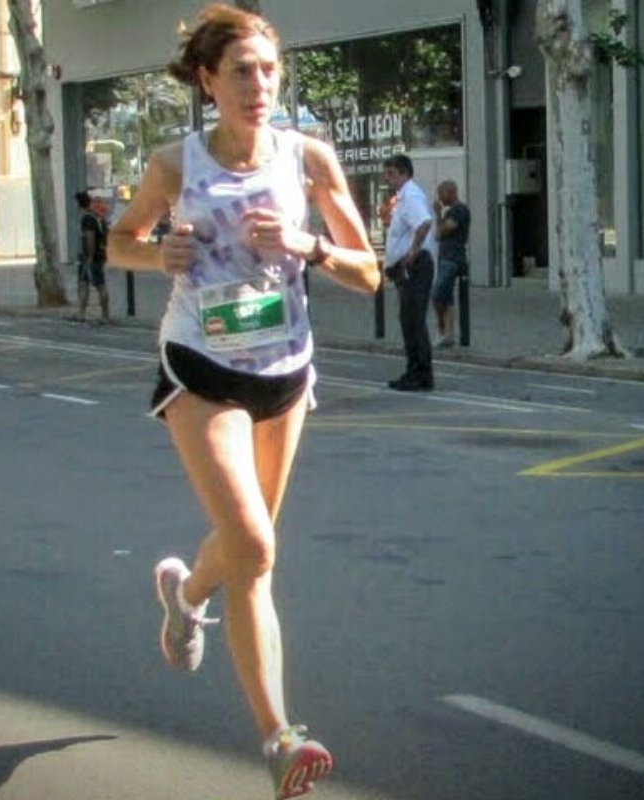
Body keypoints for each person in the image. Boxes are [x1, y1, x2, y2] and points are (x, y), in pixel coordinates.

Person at [106, 4, 379, 798]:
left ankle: (186, 595)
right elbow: (119, 241)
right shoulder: (174, 164)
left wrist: (307, 244)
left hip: (284, 369)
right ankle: (279, 737)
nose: (259, 84)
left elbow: (368, 273)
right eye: (241, 71)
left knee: (243, 546)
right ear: (207, 81)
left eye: (268, 69)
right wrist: (158, 254)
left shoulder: (308, 159)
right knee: (256, 548)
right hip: (201, 365)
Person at [383, 154, 435, 391]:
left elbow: (424, 223)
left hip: (415, 267)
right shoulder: (402, 197)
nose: (388, 179)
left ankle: (420, 374)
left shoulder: (411, 195)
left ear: (404, 173)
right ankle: (414, 370)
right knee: (409, 321)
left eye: (392, 174)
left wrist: (412, 254)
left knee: (413, 321)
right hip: (408, 268)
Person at [431, 180, 470, 348]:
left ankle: (443, 330)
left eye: (441, 193)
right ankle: (448, 333)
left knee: (437, 294)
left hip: (452, 259)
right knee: (446, 297)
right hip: (446, 257)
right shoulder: (450, 212)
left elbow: (442, 231)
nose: (440, 198)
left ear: (450, 192)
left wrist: (438, 214)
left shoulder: (459, 211)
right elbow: (438, 235)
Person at [74, 190, 110, 324]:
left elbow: (90, 237)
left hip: (91, 257)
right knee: (83, 283)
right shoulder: (97, 217)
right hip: (99, 254)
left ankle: (104, 316)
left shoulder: (87, 219)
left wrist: (89, 256)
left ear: (79, 205)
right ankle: (81, 313)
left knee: (99, 285)